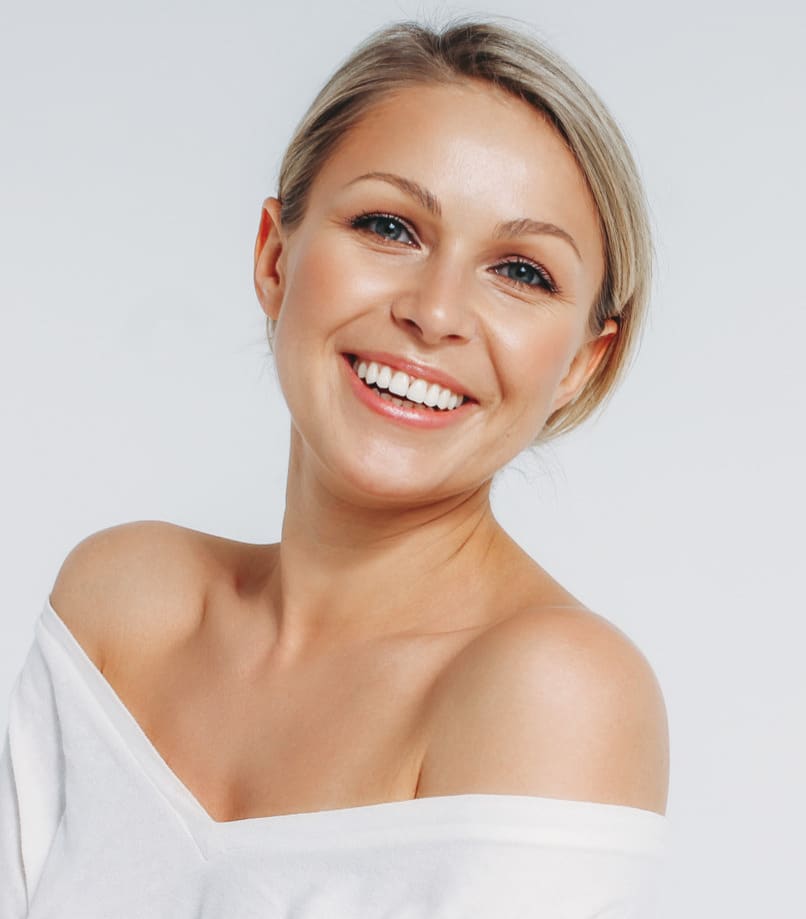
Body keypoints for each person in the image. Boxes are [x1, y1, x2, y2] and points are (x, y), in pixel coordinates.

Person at [0, 16, 670, 918]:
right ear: (276, 258)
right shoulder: (123, 604)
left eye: (520, 271)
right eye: (389, 225)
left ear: (584, 364)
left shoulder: (552, 689)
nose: (435, 313)